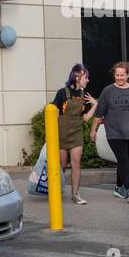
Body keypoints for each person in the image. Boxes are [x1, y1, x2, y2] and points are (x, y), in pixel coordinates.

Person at [90, 61, 129, 200]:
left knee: (125, 160)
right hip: (114, 133)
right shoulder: (108, 91)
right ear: (114, 76)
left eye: (122, 75)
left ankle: (118, 187)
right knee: (124, 162)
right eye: (117, 75)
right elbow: (99, 112)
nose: (119, 78)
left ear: (127, 75)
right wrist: (93, 130)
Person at [52, 64, 96, 204]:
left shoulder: (84, 95)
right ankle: (55, 191)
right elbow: (52, 113)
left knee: (76, 163)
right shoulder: (62, 93)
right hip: (62, 134)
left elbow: (85, 118)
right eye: (86, 77)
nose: (87, 80)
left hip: (77, 132)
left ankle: (75, 194)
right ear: (77, 77)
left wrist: (95, 105)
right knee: (62, 165)